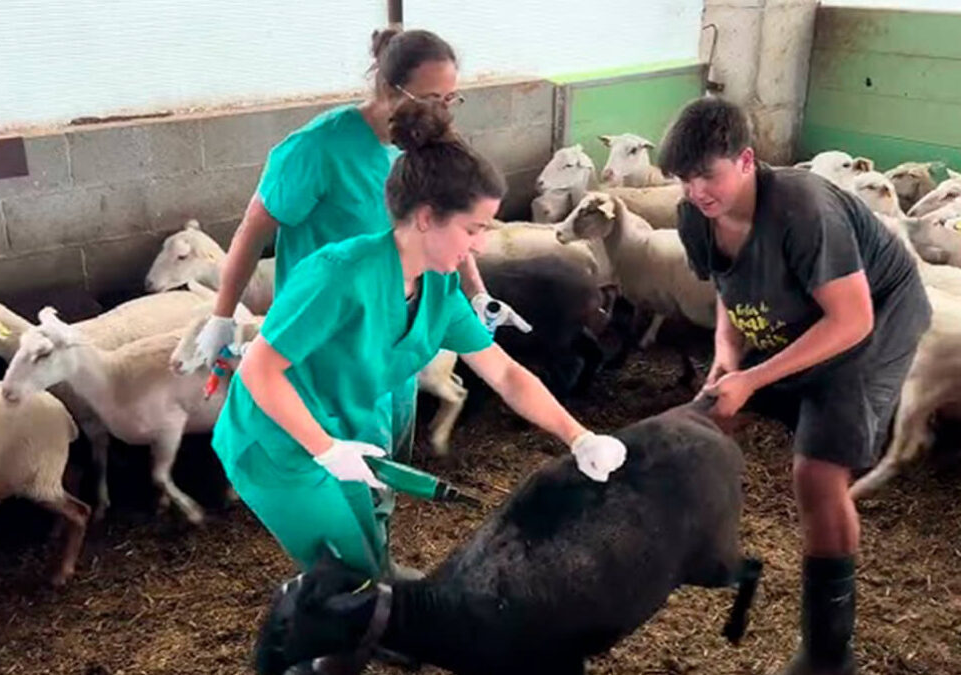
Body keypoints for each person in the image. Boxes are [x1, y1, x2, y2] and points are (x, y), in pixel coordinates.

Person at [210, 97, 627, 581]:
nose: (481, 246)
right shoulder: (337, 275)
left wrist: (579, 436)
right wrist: (325, 448)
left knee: (367, 547)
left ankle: (375, 605)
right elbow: (260, 369)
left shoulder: (438, 288)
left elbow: (507, 374)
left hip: (347, 433)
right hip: (278, 443)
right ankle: (317, 642)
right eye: (473, 229)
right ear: (426, 217)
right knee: (348, 572)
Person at [193, 29, 526, 574]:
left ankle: (377, 566)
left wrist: (476, 292)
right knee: (328, 468)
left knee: (383, 461)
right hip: (328, 342)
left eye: (451, 99)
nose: (444, 112)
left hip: (392, 341)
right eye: (431, 99)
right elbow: (254, 231)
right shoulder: (316, 149)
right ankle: (344, 587)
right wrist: (222, 316)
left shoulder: (431, 147)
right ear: (390, 88)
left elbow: (455, 218)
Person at [657, 97, 930, 675]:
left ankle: (829, 654)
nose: (695, 190)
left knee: (817, 472)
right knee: (705, 414)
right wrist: (726, 359)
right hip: (794, 312)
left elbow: (852, 320)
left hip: (872, 319)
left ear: (747, 160)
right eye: (683, 178)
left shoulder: (804, 210)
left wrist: (754, 378)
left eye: (707, 173)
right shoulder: (695, 214)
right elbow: (731, 291)